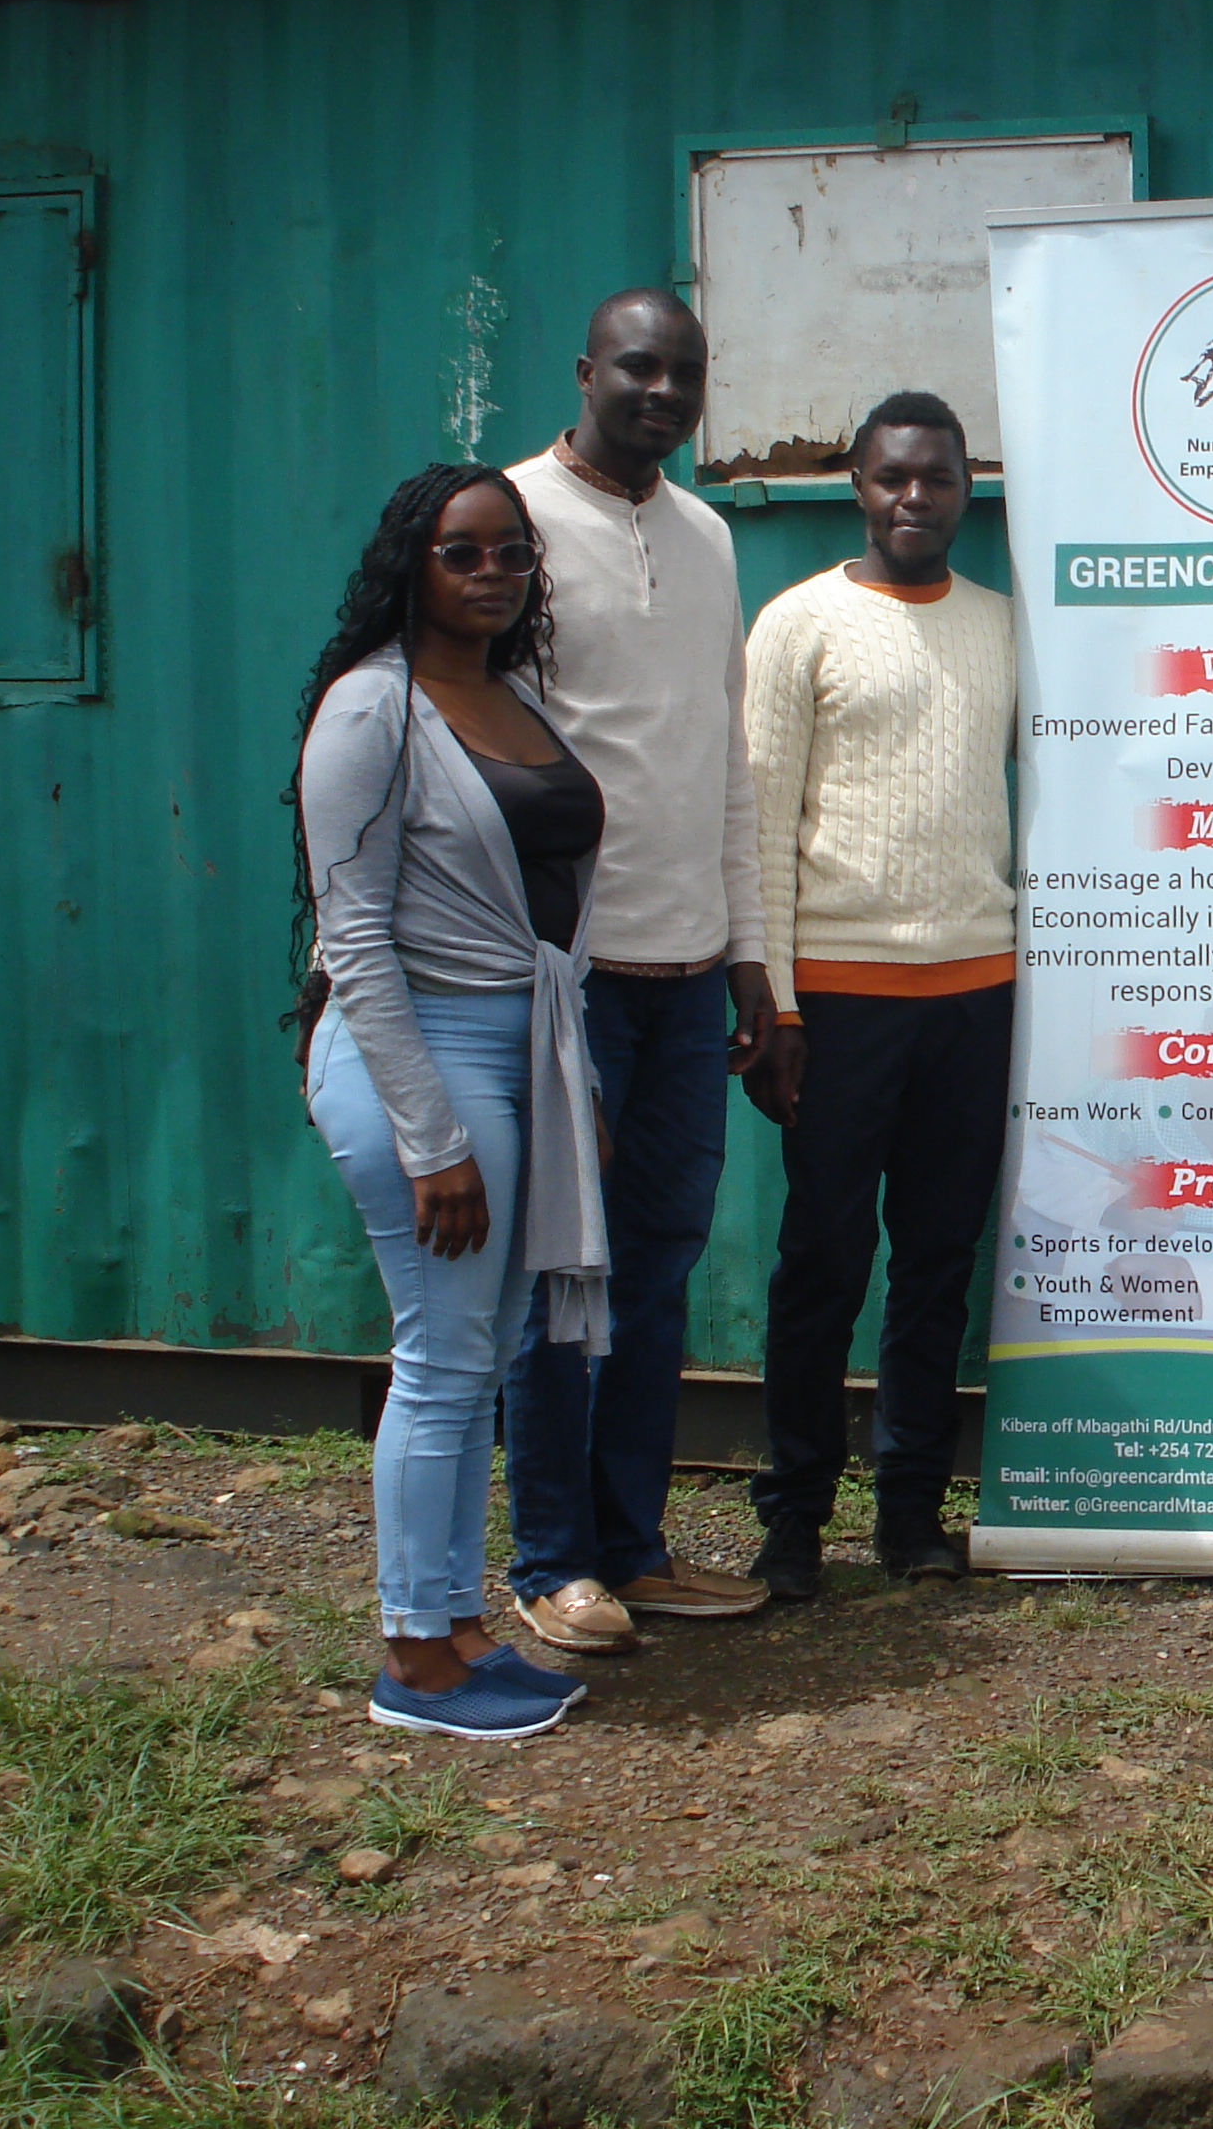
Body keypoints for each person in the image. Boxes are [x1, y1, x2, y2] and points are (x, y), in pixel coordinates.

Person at [293, 464, 608, 1740]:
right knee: (440, 1363)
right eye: (459, 551)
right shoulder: (372, 708)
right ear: (409, 562)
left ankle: (456, 1626)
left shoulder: (513, 696)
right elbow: (354, 937)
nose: (490, 573)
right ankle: (416, 1664)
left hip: (518, 1046)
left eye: (512, 554)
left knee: (474, 1355)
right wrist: (431, 1137)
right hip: (417, 1052)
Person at [500, 290, 773, 1657]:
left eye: (686, 373)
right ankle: (551, 1559)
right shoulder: (509, 521)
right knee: (565, 1271)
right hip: (568, 974)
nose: (662, 391)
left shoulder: (712, 534)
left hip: (684, 975)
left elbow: (726, 769)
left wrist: (752, 970)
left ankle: (636, 1543)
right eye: (639, 367)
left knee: (658, 1266)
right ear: (586, 369)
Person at [739, 391, 1014, 1600]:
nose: (915, 498)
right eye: (893, 478)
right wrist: (777, 1008)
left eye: (938, 480)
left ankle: (909, 1513)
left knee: (940, 1263)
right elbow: (756, 825)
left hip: (978, 992)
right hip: (839, 1002)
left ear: (967, 491)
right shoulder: (799, 623)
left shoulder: (1007, 629)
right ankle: (793, 1520)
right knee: (822, 1264)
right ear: (858, 486)